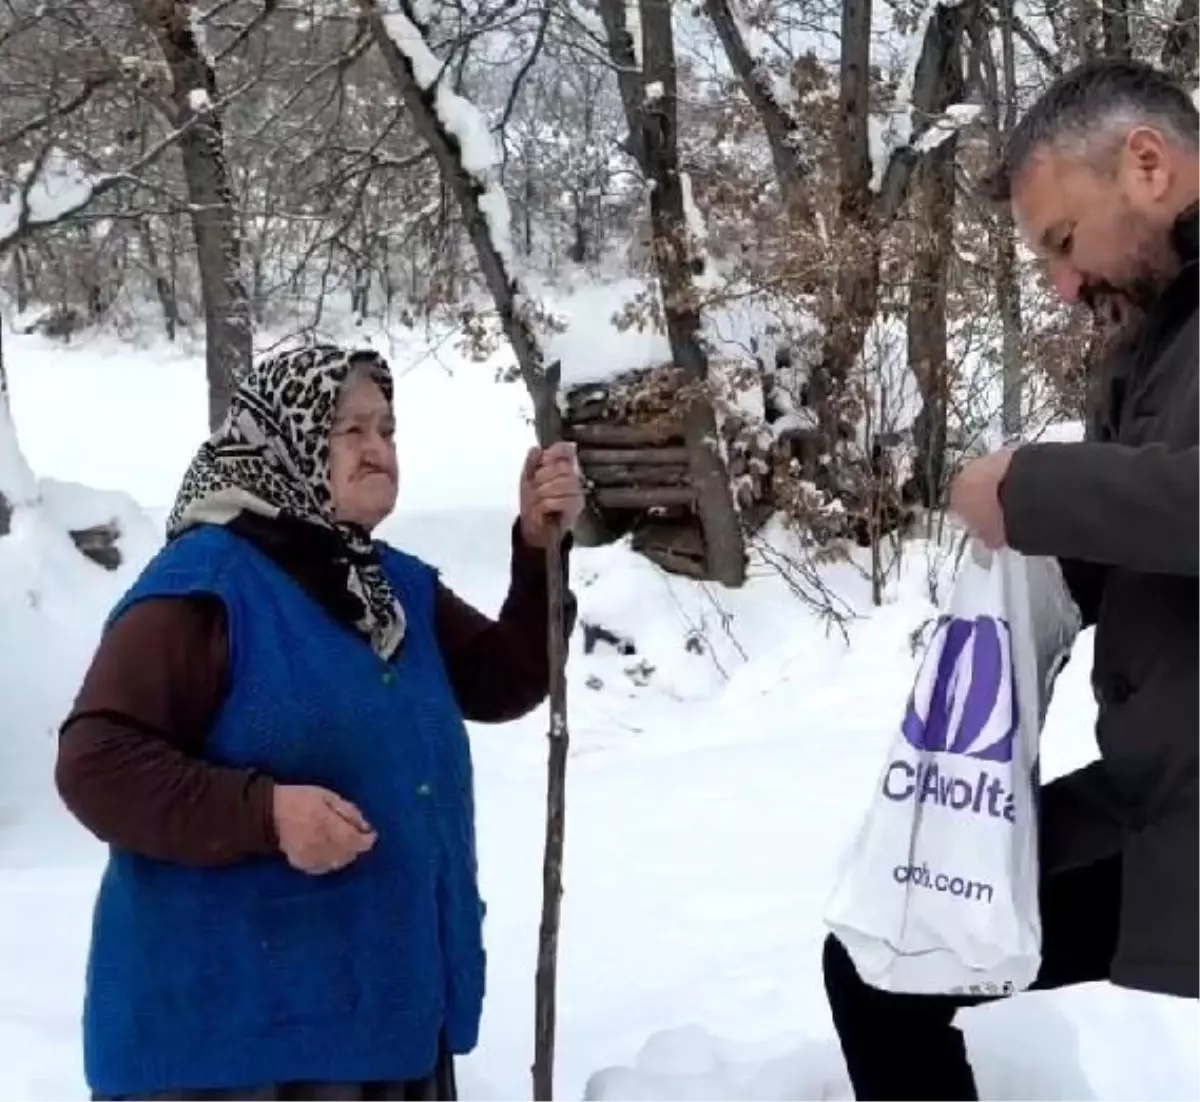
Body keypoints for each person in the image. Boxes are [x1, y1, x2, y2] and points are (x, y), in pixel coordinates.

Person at [55, 343, 584, 1102]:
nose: (378, 449)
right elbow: (96, 764)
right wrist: (265, 814)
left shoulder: (390, 588)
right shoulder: (205, 584)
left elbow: (505, 679)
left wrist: (537, 550)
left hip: (383, 1021)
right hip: (230, 1051)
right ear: (287, 442)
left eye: (388, 429)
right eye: (350, 430)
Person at [823, 57, 1200, 1100]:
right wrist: (1027, 580)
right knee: (893, 954)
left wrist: (1036, 488)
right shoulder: (1154, 336)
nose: (1063, 284)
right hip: (1160, 802)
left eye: (1064, 242)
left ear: (1148, 163)